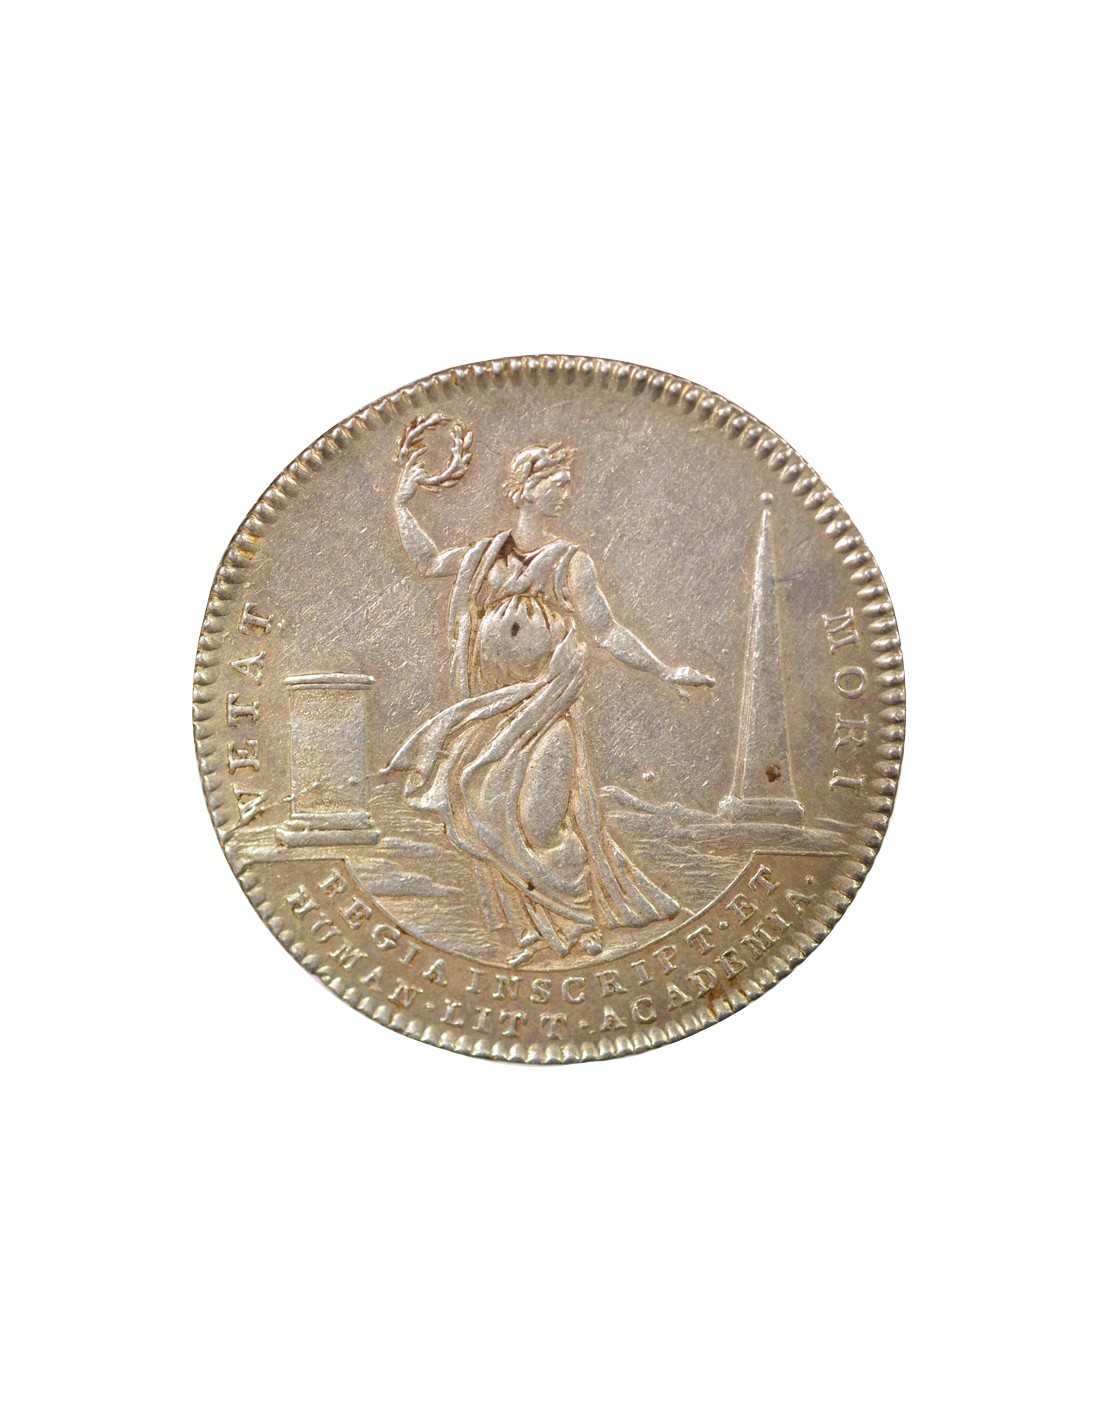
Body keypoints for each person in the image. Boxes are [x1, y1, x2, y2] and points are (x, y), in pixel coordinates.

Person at [385, 441, 714, 967]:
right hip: (490, 704)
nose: (565, 493)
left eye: (566, 485)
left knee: (541, 820)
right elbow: (427, 562)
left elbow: (605, 630)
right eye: (556, 484)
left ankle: (579, 921)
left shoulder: (570, 561)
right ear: (526, 490)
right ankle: (540, 933)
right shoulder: (483, 555)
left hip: (548, 699)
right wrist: (403, 506)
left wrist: (663, 669)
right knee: (487, 812)